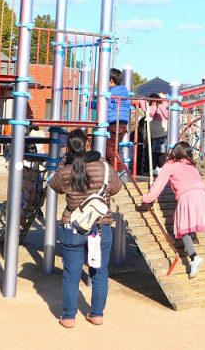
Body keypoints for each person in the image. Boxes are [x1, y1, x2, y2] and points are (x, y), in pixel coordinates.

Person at [49, 129, 124, 329]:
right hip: (100, 227)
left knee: (71, 275)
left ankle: (68, 317)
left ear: (68, 148)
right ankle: (97, 314)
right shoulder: (104, 167)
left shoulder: (66, 171)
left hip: (73, 227)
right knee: (100, 273)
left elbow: (54, 185)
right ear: (88, 144)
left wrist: (64, 162)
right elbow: (117, 187)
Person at [140, 141, 205, 278]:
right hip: (202, 195)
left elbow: (158, 184)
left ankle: (194, 257)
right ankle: (189, 246)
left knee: (181, 225)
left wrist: (147, 198)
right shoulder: (192, 166)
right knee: (185, 222)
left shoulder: (170, 165)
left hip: (187, 195)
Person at [104, 68, 133, 170]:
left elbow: (103, 104)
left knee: (109, 150)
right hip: (122, 123)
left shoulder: (110, 92)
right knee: (111, 148)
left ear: (111, 80)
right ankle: (111, 170)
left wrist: (89, 103)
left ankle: (121, 170)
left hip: (114, 123)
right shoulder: (124, 92)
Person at [139, 93, 169, 175]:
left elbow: (150, 113)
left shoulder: (159, 106)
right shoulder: (160, 105)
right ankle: (158, 168)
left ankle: (158, 168)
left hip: (161, 133)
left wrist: (144, 100)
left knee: (159, 151)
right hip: (159, 133)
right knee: (159, 151)